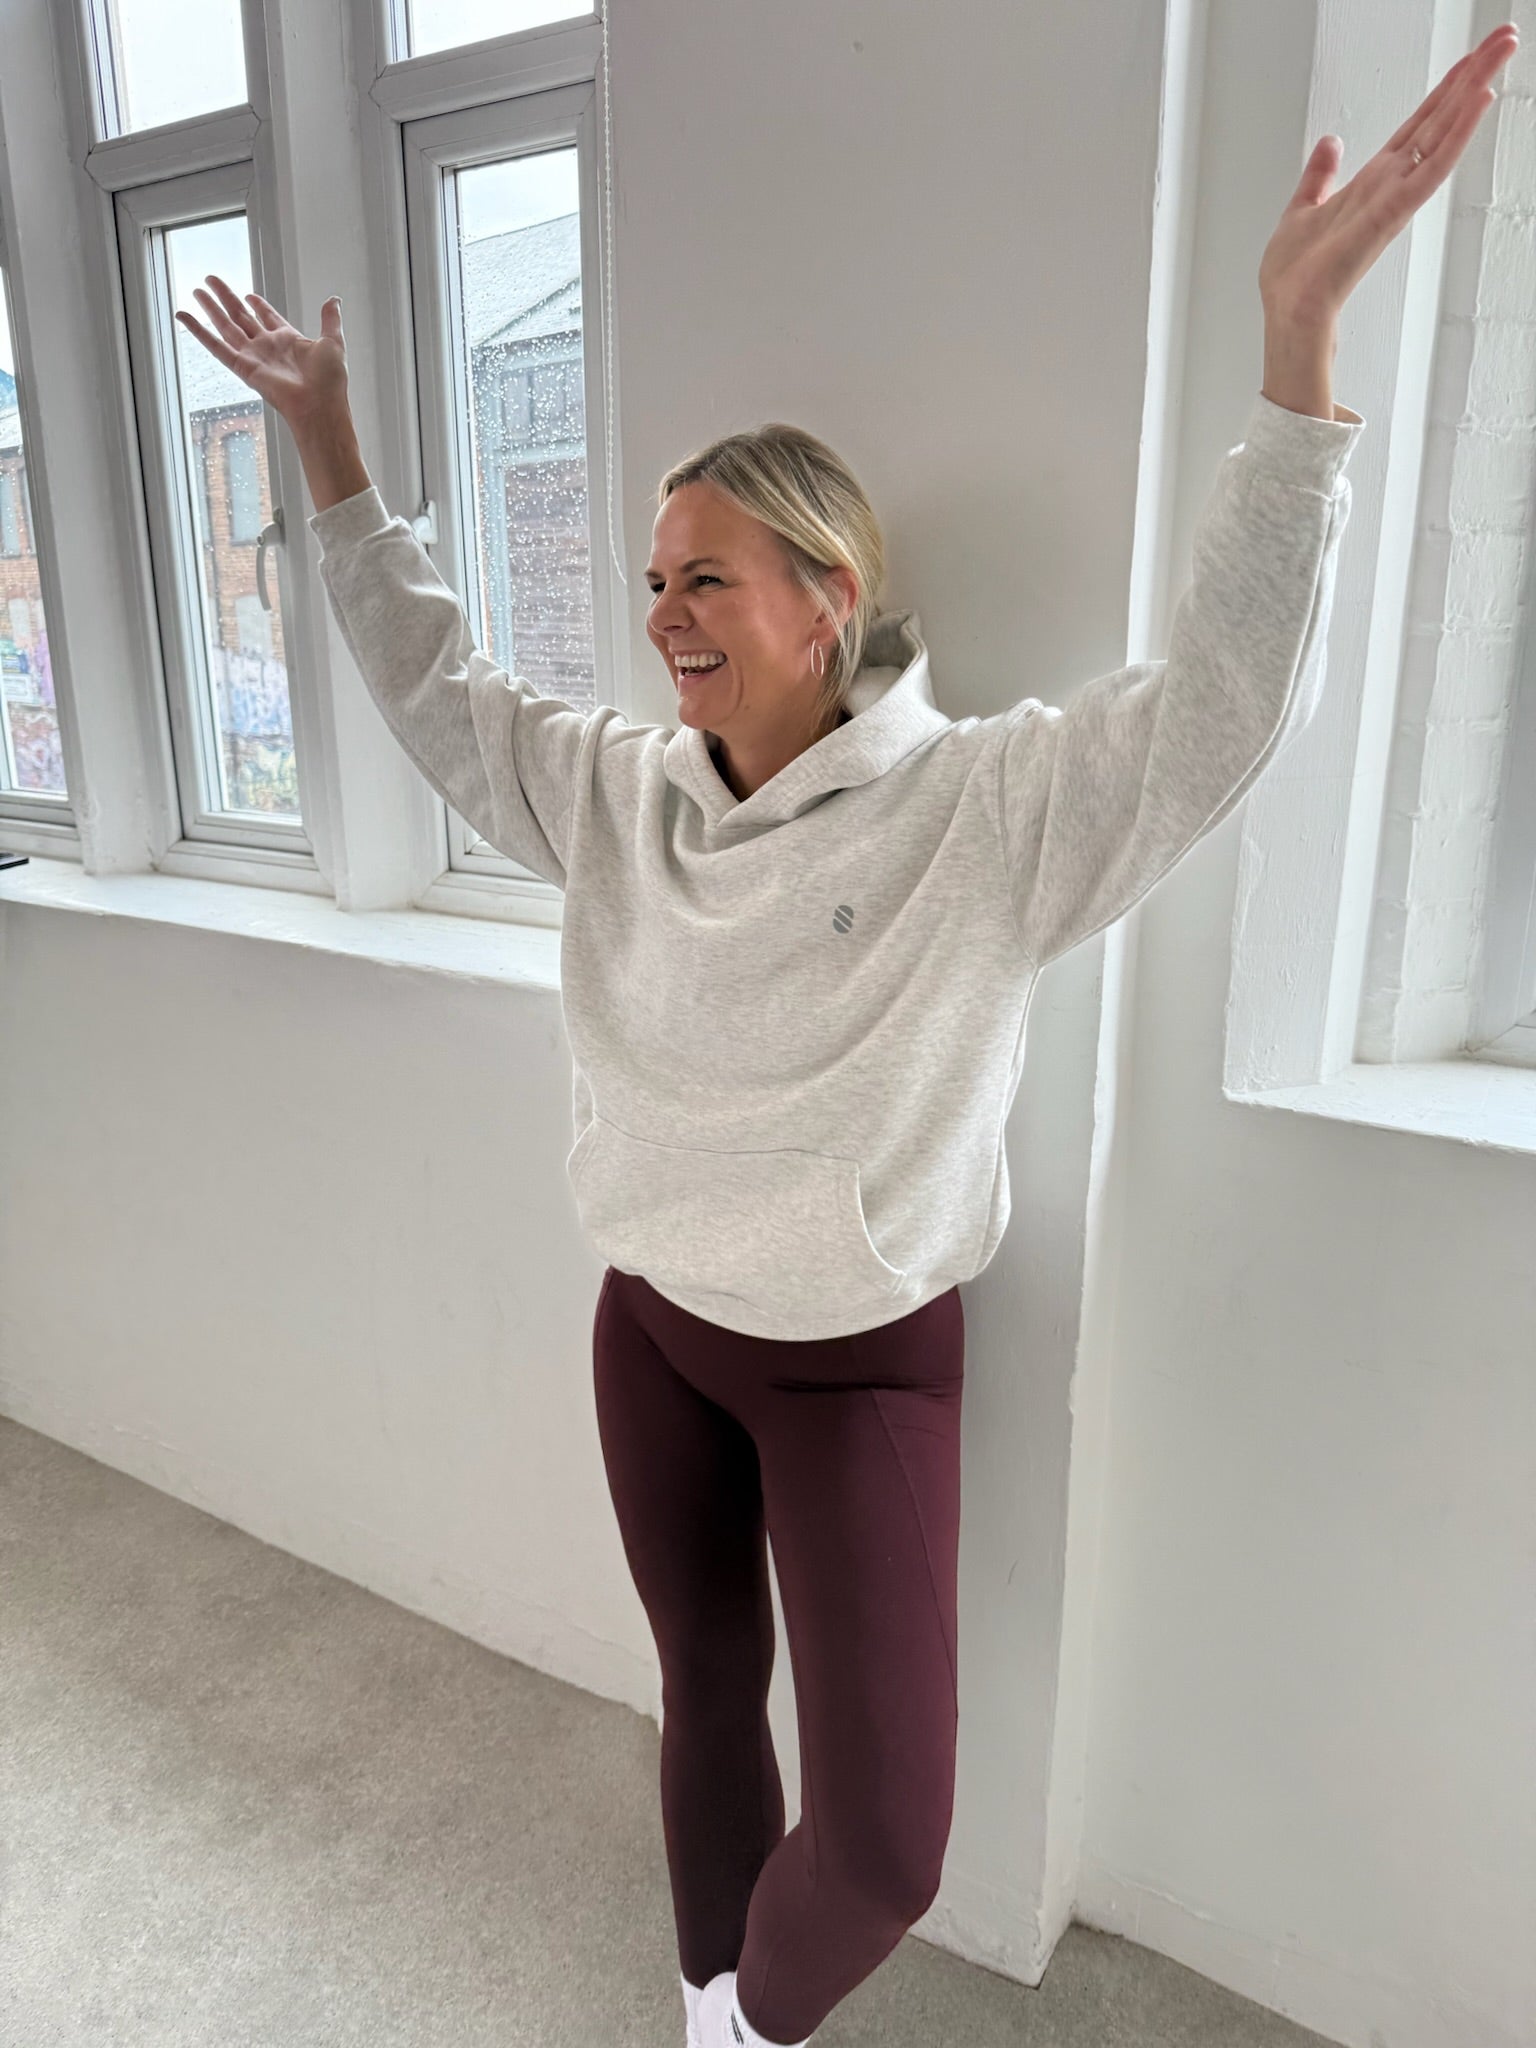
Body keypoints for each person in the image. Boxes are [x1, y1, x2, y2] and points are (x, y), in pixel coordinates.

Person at [174, 26, 1516, 2045]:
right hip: (655, 1326)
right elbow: (438, 690)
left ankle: (746, 2016)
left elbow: (1222, 708)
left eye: (702, 575)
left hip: (858, 1363)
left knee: (886, 1843)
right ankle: (712, 2009)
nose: (661, 615)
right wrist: (340, 459)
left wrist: (1298, 362)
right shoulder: (618, 793)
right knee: (706, 1688)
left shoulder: (989, 811)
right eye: (649, 581)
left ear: (831, 593)